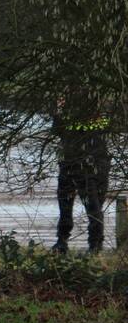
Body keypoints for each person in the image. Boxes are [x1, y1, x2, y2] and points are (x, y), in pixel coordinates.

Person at [52, 96, 110, 253]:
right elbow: (57, 130)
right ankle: (63, 241)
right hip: (71, 164)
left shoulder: (96, 114)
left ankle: (95, 245)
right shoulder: (71, 114)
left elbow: (58, 130)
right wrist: (59, 110)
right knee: (66, 206)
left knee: (93, 207)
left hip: (90, 166)